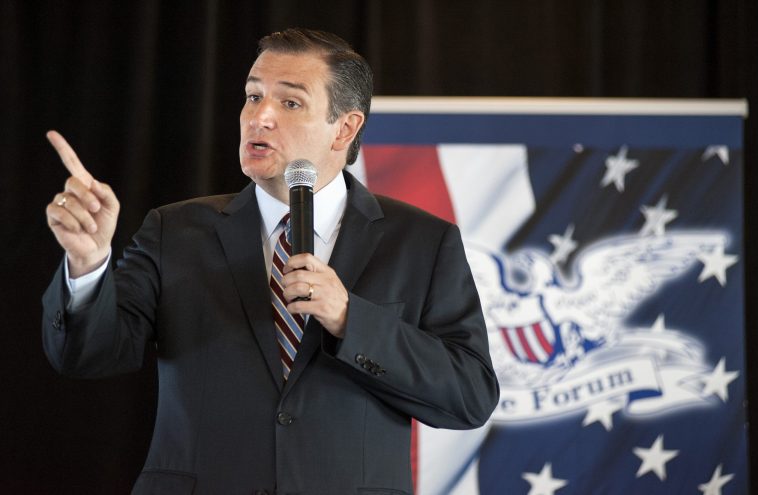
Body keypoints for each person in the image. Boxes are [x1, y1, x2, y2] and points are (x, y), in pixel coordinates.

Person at [42, 28, 499, 495]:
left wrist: (349, 319)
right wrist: (89, 266)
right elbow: (87, 355)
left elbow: (469, 396)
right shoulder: (175, 231)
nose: (259, 116)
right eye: (253, 96)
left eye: (291, 103)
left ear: (345, 128)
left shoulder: (421, 241)